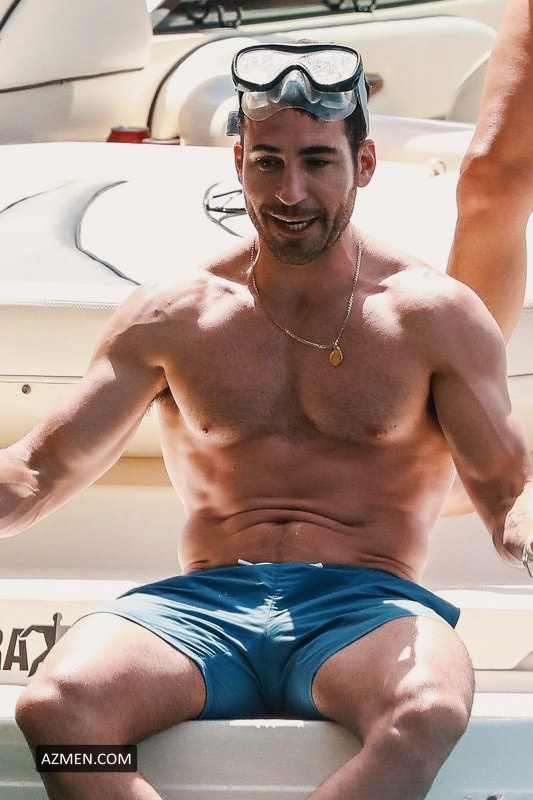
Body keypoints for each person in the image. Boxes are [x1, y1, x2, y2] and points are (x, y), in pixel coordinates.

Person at [2, 40, 532, 800]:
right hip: (202, 609)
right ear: (238, 163)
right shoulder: (174, 315)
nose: (291, 191)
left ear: (365, 164)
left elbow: (508, 494)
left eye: (317, 162)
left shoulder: (433, 317)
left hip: (366, 610)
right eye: (267, 162)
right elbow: (37, 470)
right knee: (58, 714)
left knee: (425, 711)